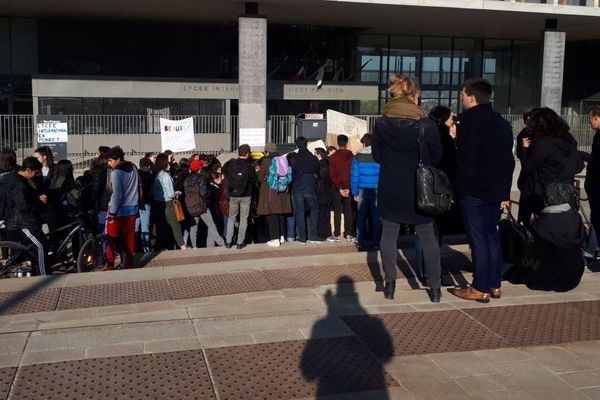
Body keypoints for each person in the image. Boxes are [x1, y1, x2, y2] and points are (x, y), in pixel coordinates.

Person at [372, 73, 443, 303]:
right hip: (419, 187)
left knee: (388, 235)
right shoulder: (426, 124)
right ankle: (434, 288)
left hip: (391, 184)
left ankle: (390, 283)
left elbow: (377, 155)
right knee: (428, 237)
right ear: (413, 96)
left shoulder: (381, 123)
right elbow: (437, 156)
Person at [448, 78, 515, 303]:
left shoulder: (468, 123)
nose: (461, 100)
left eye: (462, 96)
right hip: (496, 190)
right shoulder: (502, 123)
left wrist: (460, 191)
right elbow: (509, 161)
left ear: (471, 97)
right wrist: (505, 193)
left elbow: (466, 161)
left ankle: (479, 287)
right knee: (491, 237)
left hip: (474, 190)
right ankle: (494, 284)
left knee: (478, 240)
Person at [504, 183, 585, 292]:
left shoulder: (542, 224)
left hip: (547, 278)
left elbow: (530, 254)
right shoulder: (576, 218)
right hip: (573, 277)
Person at [518, 107, 583, 221]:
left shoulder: (543, 143)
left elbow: (528, 167)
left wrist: (524, 150)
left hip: (544, 192)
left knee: (541, 226)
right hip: (565, 190)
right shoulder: (568, 138)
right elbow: (578, 165)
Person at [4, 157, 49, 276]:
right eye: (35, 172)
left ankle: (33, 270)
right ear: (28, 170)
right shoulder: (19, 183)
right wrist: (40, 202)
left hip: (17, 219)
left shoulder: (15, 179)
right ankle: (44, 274)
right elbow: (23, 205)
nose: (36, 175)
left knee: (30, 248)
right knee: (41, 245)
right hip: (23, 221)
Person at [428, 105, 463, 238]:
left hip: (433, 179)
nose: (452, 121)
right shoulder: (445, 138)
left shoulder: (430, 133)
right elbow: (452, 161)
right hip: (445, 180)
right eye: (450, 119)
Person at [106, 146, 139, 269]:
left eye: (110, 160)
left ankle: (109, 265)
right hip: (132, 209)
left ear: (118, 159)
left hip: (118, 210)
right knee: (129, 239)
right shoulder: (133, 169)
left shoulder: (116, 173)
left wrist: (112, 213)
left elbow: (117, 195)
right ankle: (129, 265)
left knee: (111, 239)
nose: (109, 164)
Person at [256, 143, 292, 247]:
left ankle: (275, 239)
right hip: (283, 190)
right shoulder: (283, 159)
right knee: (280, 214)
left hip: (271, 191)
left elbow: (260, 177)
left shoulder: (267, 161)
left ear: (267, 151)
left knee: (272, 214)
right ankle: (281, 237)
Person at [184, 159, 225, 248]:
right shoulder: (201, 178)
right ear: (199, 168)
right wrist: (209, 193)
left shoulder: (187, 179)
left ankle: (194, 246)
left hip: (191, 205)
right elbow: (204, 193)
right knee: (211, 224)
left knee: (194, 227)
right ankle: (221, 243)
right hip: (201, 205)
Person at [222, 144, 256, 249]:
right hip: (246, 195)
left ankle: (228, 241)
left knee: (231, 218)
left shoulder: (231, 165)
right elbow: (254, 180)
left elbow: (226, 176)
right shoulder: (250, 166)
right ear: (247, 154)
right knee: (243, 219)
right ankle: (240, 242)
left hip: (233, 195)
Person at [350, 133, 381, 250]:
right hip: (376, 190)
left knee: (361, 216)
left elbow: (354, 176)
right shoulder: (379, 156)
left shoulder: (358, 157)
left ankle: (360, 240)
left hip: (362, 190)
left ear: (364, 143)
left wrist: (354, 192)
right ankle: (376, 241)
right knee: (376, 217)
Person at [152, 153, 186, 250]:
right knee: (176, 226)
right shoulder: (165, 176)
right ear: (164, 163)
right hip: (168, 203)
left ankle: (160, 247)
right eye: (168, 162)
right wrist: (178, 192)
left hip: (157, 203)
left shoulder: (155, 174)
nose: (170, 164)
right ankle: (183, 247)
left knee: (161, 227)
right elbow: (171, 194)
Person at [290, 137, 321, 244]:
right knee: (314, 210)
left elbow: (292, 173)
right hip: (310, 188)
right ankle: (313, 235)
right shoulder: (313, 158)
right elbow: (317, 171)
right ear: (307, 144)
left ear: (297, 145)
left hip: (297, 188)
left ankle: (302, 237)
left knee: (300, 212)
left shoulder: (294, 159)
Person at [328, 134, 354, 242]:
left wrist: (339, 188)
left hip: (337, 188)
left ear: (337, 143)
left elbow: (332, 174)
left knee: (337, 210)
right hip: (349, 187)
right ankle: (348, 233)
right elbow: (353, 172)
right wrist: (347, 188)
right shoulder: (351, 156)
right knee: (348, 211)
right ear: (346, 143)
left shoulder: (333, 157)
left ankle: (337, 233)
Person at [581, 105, 600, 257]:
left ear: (596, 117)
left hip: (597, 182)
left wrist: (586, 157)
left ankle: (592, 247)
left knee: (596, 216)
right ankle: (592, 246)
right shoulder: (597, 135)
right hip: (594, 181)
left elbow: (596, 160)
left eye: (590, 120)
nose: (589, 123)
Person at [90, 146, 112, 234]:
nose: (95, 155)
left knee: (103, 230)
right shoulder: (112, 168)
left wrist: (92, 200)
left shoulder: (99, 170)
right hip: (112, 203)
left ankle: (104, 247)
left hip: (102, 204)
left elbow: (96, 189)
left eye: (97, 153)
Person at [136, 156, 154, 252]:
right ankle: (146, 249)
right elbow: (151, 191)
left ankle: (135, 249)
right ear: (147, 166)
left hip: (135, 204)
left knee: (136, 228)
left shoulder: (136, 174)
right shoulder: (149, 176)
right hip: (146, 203)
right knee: (145, 228)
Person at [315, 148, 332, 240]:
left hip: (321, 192)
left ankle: (322, 234)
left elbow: (319, 178)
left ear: (319, 155)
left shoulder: (320, 165)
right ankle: (327, 232)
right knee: (326, 213)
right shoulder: (329, 163)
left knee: (321, 213)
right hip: (328, 191)